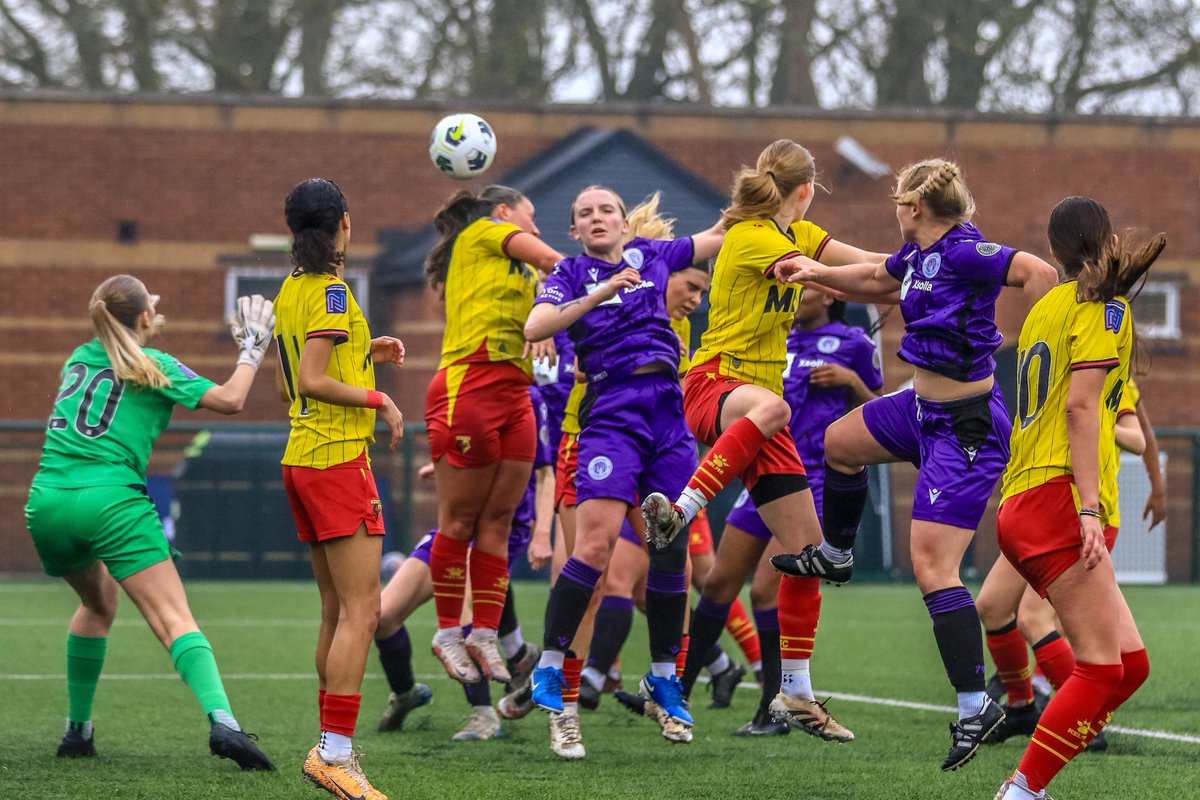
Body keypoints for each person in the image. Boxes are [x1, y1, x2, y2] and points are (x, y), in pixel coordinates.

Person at [771, 158, 1058, 768]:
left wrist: (1038, 350)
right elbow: (878, 277)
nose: (895, 211)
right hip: (919, 408)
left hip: (966, 426)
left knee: (932, 567)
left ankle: (975, 706)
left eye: (898, 202)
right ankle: (838, 552)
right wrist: (815, 270)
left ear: (915, 207)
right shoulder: (920, 255)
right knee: (841, 444)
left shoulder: (966, 251)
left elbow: (1039, 272)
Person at [640, 139, 886, 741]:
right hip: (716, 384)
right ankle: (680, 512)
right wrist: (901, 281)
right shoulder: (752, 236)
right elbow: (852, 279)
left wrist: (932, 267)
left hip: (759, 414)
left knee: (809, 556)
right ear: (807, 190)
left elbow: (871, 265)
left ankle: (794, 693)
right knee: (774, 406)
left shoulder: (798, 233)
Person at [25, 274, 275, 771]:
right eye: (151, 306)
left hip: (47, 502)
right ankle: (224, 722)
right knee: (174, 619)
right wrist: (252, 350)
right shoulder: (154, 366)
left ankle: (78, 730)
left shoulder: (78, 358)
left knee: (98, 604)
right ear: (143, 317)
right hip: (110, 501)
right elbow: (231, 400)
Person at [524, 185, 725, 753]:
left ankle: (663, 679)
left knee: (673, 548)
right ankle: (553, 678)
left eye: (606, 209)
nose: (597, 218)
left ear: (622, 222)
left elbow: (722, 234)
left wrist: (770, 200)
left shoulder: (653, 260)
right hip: (609, 416)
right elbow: (536, 327)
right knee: (594, 551)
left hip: (666, 414)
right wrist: (600, 293)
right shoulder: (570, 274)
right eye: (584, 213)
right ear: (574, 230)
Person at [992, 196, 1163, 800]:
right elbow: (1081, 407)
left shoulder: (1045, 306)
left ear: (1053, 251)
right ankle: (1022, 791)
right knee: (1100, 668)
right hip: (1057, 498)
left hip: (1024, 498)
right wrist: (1090, 507)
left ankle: (1036, 764)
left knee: (1130, 668)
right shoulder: (1105, 307)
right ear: (1108, 242)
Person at [273, 178, 405, 800]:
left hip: (302, 458)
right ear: (344, 224)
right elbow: (311, 380)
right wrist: (380, 398)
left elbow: (289, 383)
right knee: (363, 610)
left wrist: (366, 350)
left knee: (337, 609)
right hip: (336, 460)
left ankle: (328, 747)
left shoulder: (291, 290)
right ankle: (335, 755)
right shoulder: (330, 290)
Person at [703, 287, 883, 736]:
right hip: (765, 471)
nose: (795, 297)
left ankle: (775, 706)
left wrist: (851, 381)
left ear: (829, 296)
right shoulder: (776, 337)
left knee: (766, 591)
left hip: (815, 480)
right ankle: (676, 687)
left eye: (805, 290)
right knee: (718, 582)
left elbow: (879, 413)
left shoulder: (855, 343)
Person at [423, 185, 564, 687]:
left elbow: (546, 301)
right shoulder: (484, 231)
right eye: (532, 216)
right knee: (459, 520)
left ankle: (484, 632)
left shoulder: (519, 271)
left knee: (499, 521)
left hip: (515, 392)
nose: (537, 227)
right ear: (504, 212)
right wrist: (599, 277)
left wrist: (549, 322)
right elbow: (554, 262)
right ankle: (447, 633)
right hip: (469, 383)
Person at [978, 383, 1152, 746]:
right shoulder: (1051, 366)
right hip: (1037, 504)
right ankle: (1023, 706)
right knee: (993, 605)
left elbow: (1138, 438)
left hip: (1079, 513)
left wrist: (1097, 419)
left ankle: (1083, 720)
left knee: (1034, 618)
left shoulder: (1102, 369)